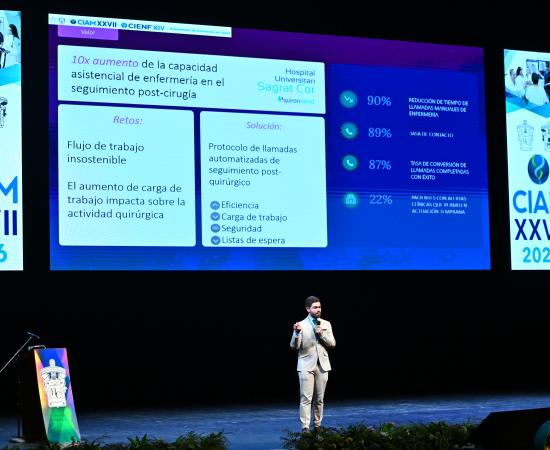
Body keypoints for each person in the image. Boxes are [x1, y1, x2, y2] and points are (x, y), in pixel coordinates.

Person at [290, 295, 336, 433]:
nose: (318, 309)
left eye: (319, 307)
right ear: (308, 309)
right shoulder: (301, 325)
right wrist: (296, 333)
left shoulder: (326, 324)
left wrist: (322, 334)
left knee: (319, 399)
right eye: (315, 307)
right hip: (306, 364)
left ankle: (317, 425)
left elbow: (332, 344)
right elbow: (294, 346)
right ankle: (305, 427)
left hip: (322, 364)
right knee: (306, 398)